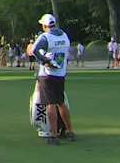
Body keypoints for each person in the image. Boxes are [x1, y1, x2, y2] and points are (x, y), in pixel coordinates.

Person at [32, 14, 76, 145]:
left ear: (45, 26)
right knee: (61, 102)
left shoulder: (45, 37)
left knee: (50, 104)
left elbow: (35, 50)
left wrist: (45, 60)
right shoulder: (64, 36)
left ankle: (53, 135)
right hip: (61, 74)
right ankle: (70, 131)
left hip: (47, 74)